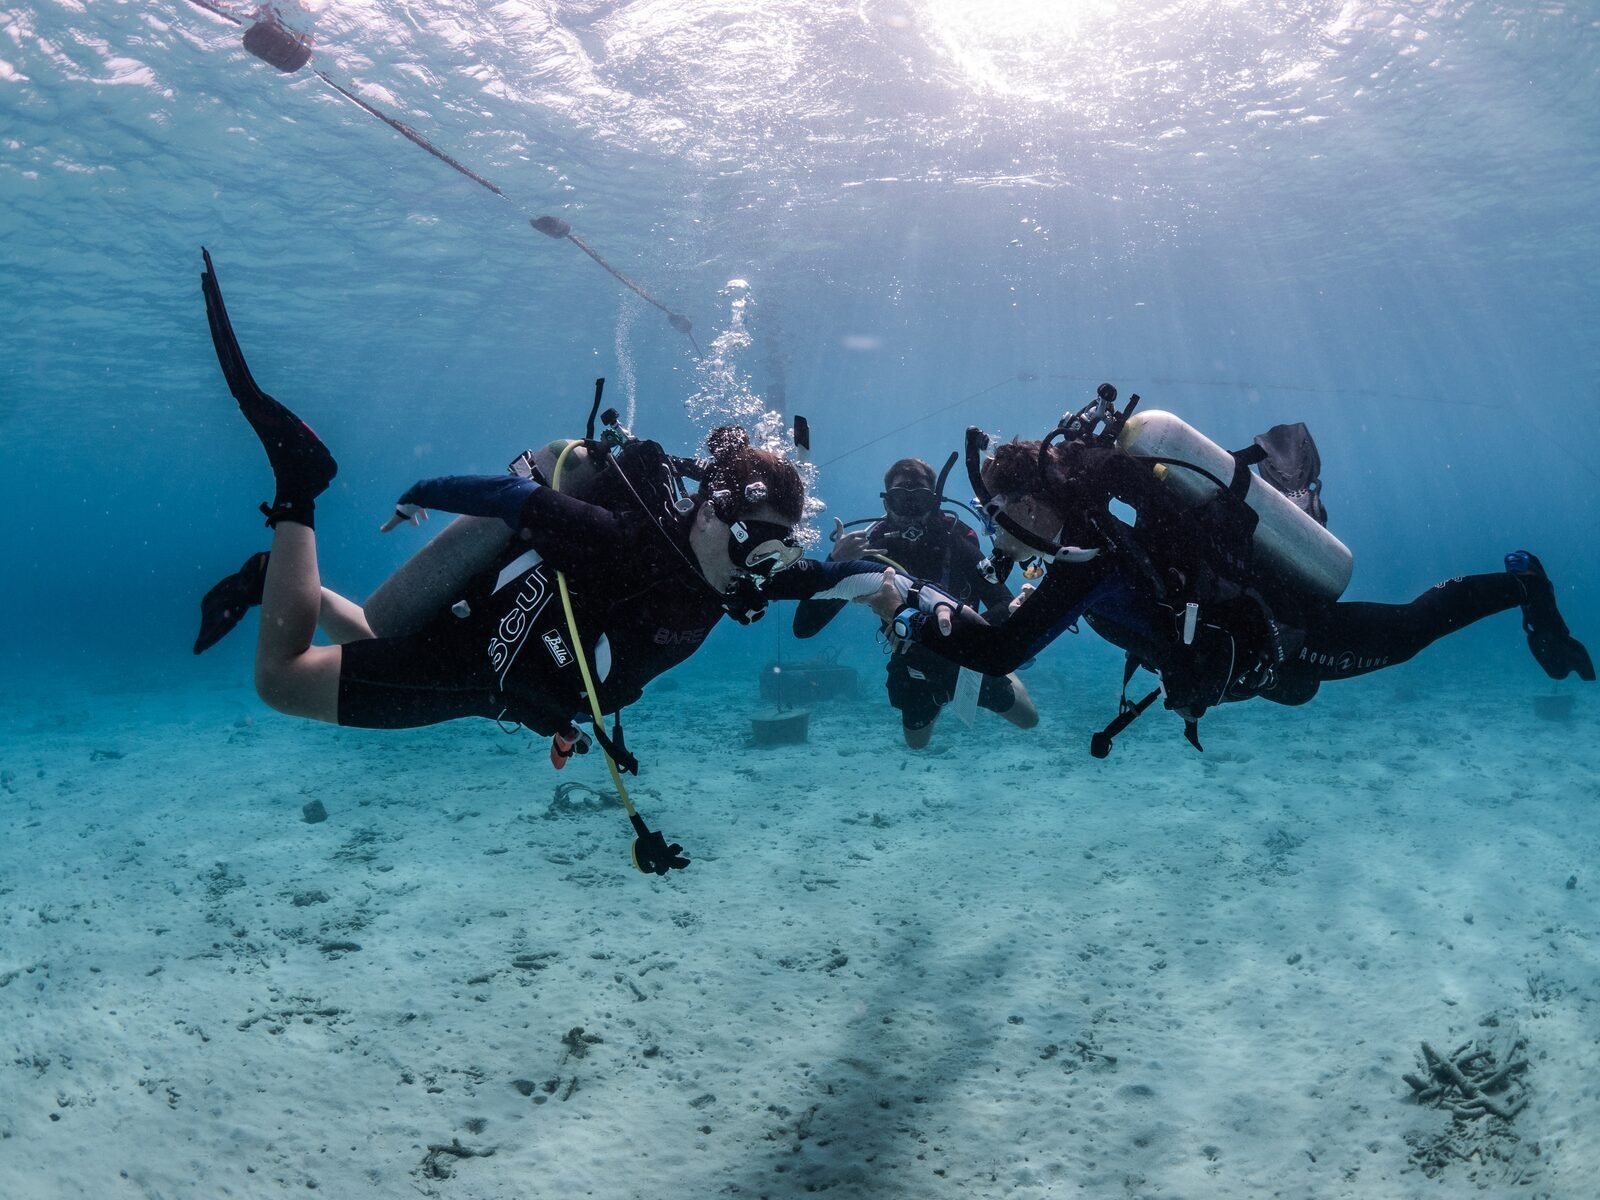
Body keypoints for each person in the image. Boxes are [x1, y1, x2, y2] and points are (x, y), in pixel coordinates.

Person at [196, 249, 900, 746]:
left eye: (777, 555)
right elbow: (508, 496)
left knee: (372, 638)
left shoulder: (741, 576)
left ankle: (277, 578)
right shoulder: (617, 537)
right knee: (280, 683)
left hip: (499, 685)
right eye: (755, 545)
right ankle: (299, 486)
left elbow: (837, 578)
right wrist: (421, 491)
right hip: (475, 666)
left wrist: (895, 588)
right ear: (713, 510)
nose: (760, 569)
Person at [865, 390, 1594, 753]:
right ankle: (1520, 585)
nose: (1004, 538)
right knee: (1298, 693)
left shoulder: (1089, 560)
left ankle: (1525, 582)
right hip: (1255, 663)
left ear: (1032, 500)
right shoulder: (1094, 542)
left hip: (1283, 635)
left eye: (1003, 518)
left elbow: (997, 649)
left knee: (1405, 632)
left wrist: (906, 609)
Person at [797, 457, 1038, 748]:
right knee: (917, 744)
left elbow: (1003, 602)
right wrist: (835, 563)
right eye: (901, 500)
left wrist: (973, 632)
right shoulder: (871, 550)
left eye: (920, 501)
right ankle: (940, 695)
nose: (910, 513)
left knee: (1029, 720)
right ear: (887, 505)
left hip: (966, 654)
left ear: (934, 503)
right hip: (914, 661)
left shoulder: (956, 541)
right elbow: (805, 626)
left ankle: (999, 672)